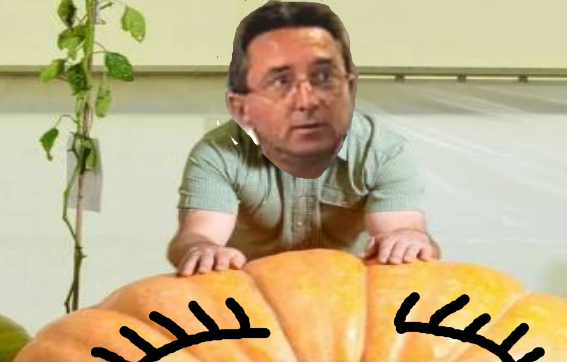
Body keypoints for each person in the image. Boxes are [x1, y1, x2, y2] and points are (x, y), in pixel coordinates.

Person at [167, 1, 440, 276]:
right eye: (280, 82)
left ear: (349, 87)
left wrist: (410, 240)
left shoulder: (383, 151)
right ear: (242, 107)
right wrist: (201, 249)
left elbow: (401, 229)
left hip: (350, 292)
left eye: (323, 77)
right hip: (247, 292)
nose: (307, 100)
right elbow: (198, 235)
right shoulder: (217, 153)